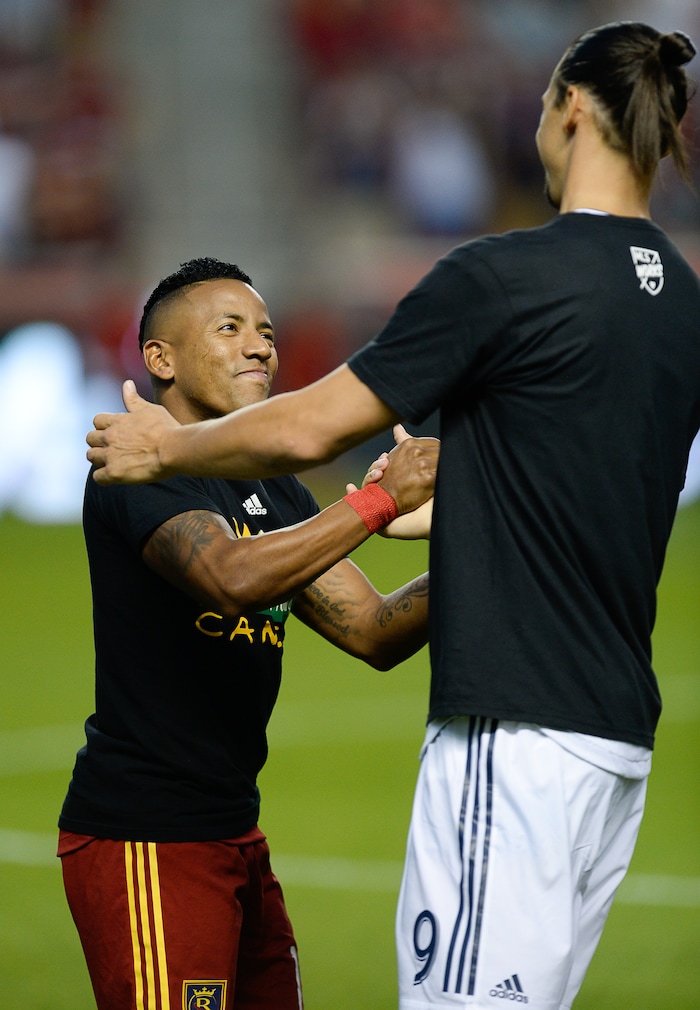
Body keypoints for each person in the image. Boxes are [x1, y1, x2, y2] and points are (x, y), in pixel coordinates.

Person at [85, 22, 700, 1010]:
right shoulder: (679, 301)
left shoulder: (505, 278)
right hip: (614, 742)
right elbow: (578, 492)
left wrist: (167, 446)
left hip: (514, 730)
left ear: (569, 109)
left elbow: (308, 426)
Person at [60, 256, 437, 1010]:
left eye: (265, 330)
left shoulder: (271, 486)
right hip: (147, 838)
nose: (260, 345)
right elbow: (232, 578)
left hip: (234, 835)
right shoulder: (135, 467)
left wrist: (488, 546)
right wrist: (377, 502)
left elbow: (372, 630)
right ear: (160, 359)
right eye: (229, 328)